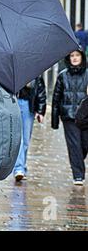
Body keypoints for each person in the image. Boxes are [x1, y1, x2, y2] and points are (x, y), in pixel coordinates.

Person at [52, 49, 88, 186]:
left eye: (77, 55)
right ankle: (78, 175)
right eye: (72, 55)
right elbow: (56, 98)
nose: (74, 58)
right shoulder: (63, 76)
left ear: (82, 57)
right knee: (74, 146)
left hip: (85, 117)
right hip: (69, 117)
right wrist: (55, 121)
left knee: (84, 145)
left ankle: (78, 161)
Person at [14, 76, 46, 182]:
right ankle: (18, 169)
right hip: (15, 103)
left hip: (29, 106)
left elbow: (41, 91)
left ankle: (22, 166)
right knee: (19, 138)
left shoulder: (35, 72)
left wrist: (40, 111)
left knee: (26, 140)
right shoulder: (15, 70)